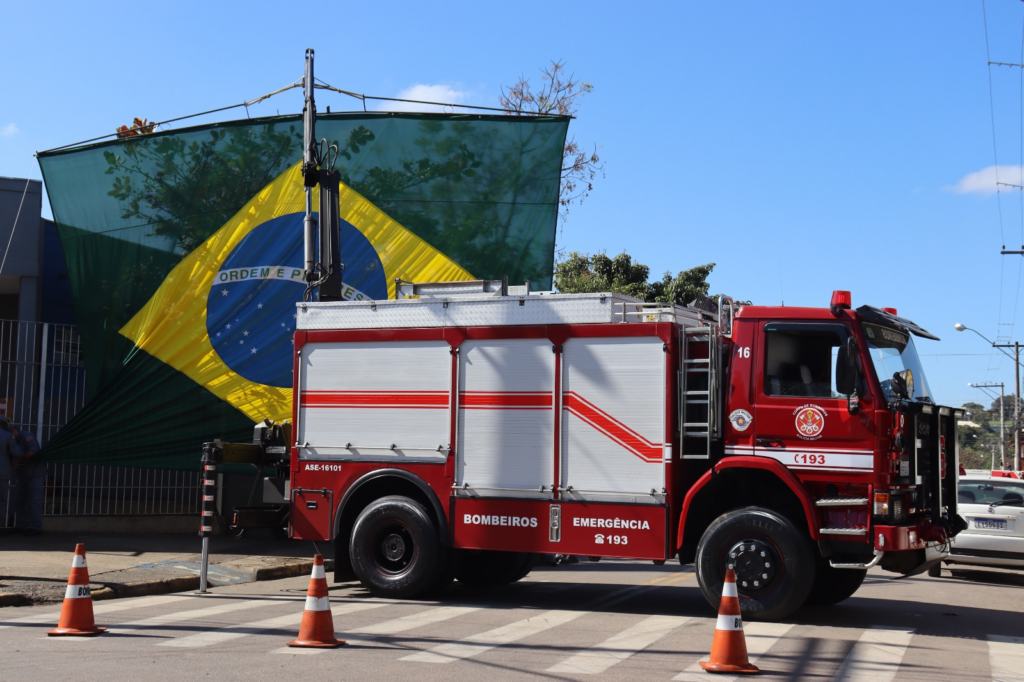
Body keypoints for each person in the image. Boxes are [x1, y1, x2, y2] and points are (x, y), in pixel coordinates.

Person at [14, 426, 43, 536]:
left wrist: (20, 460)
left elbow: (33, 451)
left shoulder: (27, 436)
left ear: (14, 431)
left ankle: (36, 527)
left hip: (35, 473)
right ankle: (21, 526)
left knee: (35, 500)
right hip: (23, 474)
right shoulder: (14, 440)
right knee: (20, 501)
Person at [0, 415, 23, 530]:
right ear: (3, 424)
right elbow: (17, 453)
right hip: (2, 472)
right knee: (2, 500)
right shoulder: (7, 436)